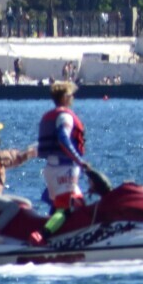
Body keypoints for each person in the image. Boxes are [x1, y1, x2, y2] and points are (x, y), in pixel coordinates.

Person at [36, 80, 93, 235]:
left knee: (75, 203)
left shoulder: (49, 116)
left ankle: (61, 234)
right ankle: (42, 235)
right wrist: (79, 161)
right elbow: (63, 139)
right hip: (63, 168)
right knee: (66, 207)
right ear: (64, 97)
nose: (73, 98)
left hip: (53, 167)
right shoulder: (65, 117)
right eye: (71, 95)